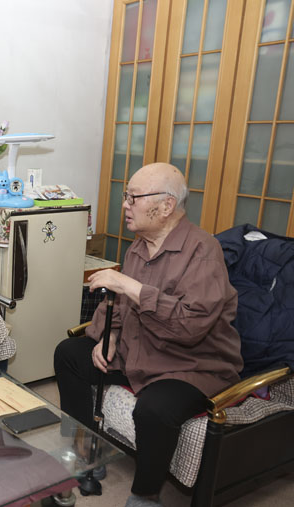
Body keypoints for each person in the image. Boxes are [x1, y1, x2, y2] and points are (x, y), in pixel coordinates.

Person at [54, 163, 243, 507]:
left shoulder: (203, 251)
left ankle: (145, 495)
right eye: (126, 196)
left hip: (189, 364)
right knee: (69, 353)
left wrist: (131, 286)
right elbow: (117, 305)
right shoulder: (139, 247)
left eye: (133, 197)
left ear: (166, 205)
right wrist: (110, 335)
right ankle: (85, 451)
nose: (125, 204)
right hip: (139, 350)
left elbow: (191, 326)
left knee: (153, 409)